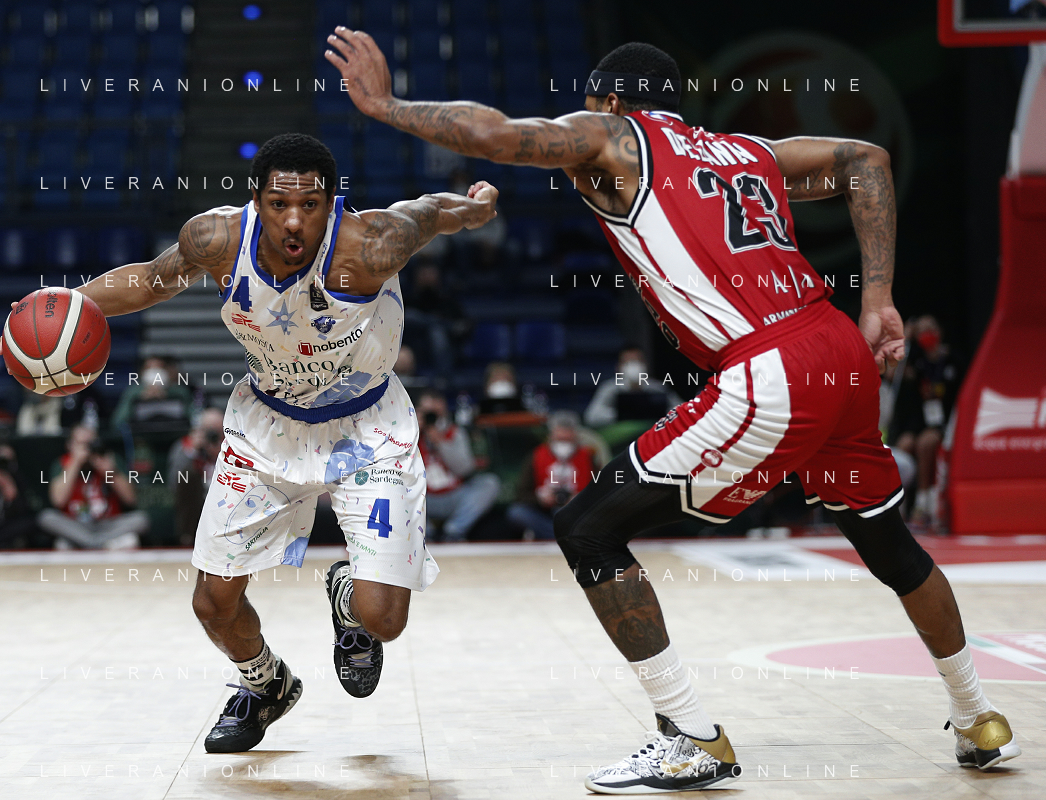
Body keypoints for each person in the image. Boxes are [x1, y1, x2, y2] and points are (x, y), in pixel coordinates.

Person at [327, 32, 1020, 791]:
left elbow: (495, 134)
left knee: (587, 527)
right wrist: (878, 296)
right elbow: (867, 160)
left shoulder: (616, 138)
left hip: (770, 366)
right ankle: (977, 715)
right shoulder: (742, 151)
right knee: (886, 540)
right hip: (838, 350)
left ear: (611, 101)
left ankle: (691, 736)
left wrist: (387, 106)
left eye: (590, 105)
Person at [14, 133, 499, 754]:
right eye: (278, 204)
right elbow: (152, 280)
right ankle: (266, 685)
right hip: (267, 425)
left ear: (332, 202)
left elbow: (429, 211)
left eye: (310, 205)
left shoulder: (372, 243)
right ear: (255, 199)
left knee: (385, 620)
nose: (293, 221)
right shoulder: (216, 239)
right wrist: (66, 305)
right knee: (212, 603)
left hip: (367, 428)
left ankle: (347, 596)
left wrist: (473, 208)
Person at [37, 425, 150, 550]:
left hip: (108, 524)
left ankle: (86, 544)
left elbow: (131, 500)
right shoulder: (62, 463)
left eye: (90, 444)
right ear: (69, 445)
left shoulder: (109, 460)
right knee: (46, 517)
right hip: (76, 524)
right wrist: (75, 463)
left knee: (141, 519)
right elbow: (58, 501)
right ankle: (101, 544)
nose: (86, 449)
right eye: (81, 444)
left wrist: (110, 472)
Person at [891, 315, 959, 523]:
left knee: (925, 444)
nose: (926, 334)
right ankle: (898, 505)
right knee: (904, 445)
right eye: (921, 331)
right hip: (919, 422)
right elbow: (892, 374)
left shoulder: (952, 360)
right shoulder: (915, 362)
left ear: (939, 332)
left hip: (945, 423)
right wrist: (904, 339)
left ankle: (923, 504)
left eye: (930, 329)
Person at [416, 389, 500, 542]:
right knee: (397, 488)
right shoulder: (409, 435)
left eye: (435, 412)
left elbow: (464, 469)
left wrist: (440, 442)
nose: (431, 417)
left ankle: (453, 531)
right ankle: (425, 532)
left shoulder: (455, 432)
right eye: (428, 413)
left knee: (489, 483)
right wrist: (413, 430)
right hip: (423, 498)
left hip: (454, 494)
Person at [507, 410, 596, 541]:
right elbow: (521, 493)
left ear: (576, 437)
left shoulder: (588, 457)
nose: (564, 444)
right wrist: (540, 498)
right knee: (517, 513)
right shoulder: (536, 456)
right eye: (560, 440)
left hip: (576, 513)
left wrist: (579, 498)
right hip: (545, 513)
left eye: (567, 440)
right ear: (551, 436)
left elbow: (600, 490)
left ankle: (562, 536)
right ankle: (562, 538)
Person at [167, 408, 225, 547]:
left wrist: (220, 454)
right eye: (209, 431)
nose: (214, 437)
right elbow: (174, 484)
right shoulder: (185, 448)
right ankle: (188, 539)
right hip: (197, 506)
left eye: (218, 432)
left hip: (225, 502)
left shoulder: (233, 446)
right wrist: (193, 452)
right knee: (189, 475)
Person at [584, 347, 682, 428]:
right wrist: (622, 414)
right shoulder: (609, 389)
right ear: (618, 367)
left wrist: (658, 413)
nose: (633, 366)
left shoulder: (658, 388)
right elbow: (591, 417)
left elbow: (680, 410)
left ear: (645, 365)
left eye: (637, 361)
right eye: (628, 362)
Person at [110, 355, 194, 428]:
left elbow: (193, 418)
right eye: (149, 368)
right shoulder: (133, 392)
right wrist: (139, 399)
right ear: (142, 372)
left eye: (159, 368)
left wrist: (167, 397)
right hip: (141, 438)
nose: (154, 372)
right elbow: (118, 422)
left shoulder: (179, 391)